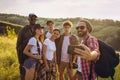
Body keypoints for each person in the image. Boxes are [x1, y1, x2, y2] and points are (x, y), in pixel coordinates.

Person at [16, 13, 38, 80]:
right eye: (32, 18)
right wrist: (21, 59)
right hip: (24, 56)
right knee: (24, 74)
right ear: (28, 19)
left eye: (35, 19)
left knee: (33, 75)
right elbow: (18, 46)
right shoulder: (23, 30)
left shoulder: (37, 30)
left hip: (34, 57)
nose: (33, 20)